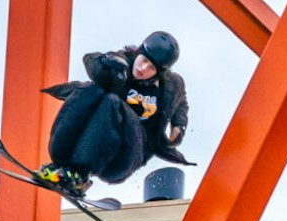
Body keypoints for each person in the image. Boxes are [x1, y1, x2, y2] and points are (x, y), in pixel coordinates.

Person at [40, 31, 190, 190]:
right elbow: (92, 63)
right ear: (139, 53)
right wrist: (106, 63)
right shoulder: (122, 62)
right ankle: (60, 163)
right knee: (92, 90)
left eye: (151, 68)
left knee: (113, 103)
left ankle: (80, 176)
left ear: (159, 74)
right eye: (143, 60)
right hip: (100, 147)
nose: (142, 68)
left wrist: (179, 126)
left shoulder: (171, 85)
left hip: (126, 157)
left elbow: (181, 101)